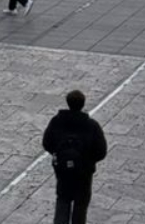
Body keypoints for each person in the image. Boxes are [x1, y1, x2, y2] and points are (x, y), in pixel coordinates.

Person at [42, 89, 108, 224]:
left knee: (63, 199)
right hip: (83, 173)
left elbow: (47, 142)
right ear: (83, 104)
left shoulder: (56, 121)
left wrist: (59, 155)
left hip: (62, 170)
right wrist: (88, 160)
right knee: (81, 204)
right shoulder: (91, 125)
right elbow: (101, 151)